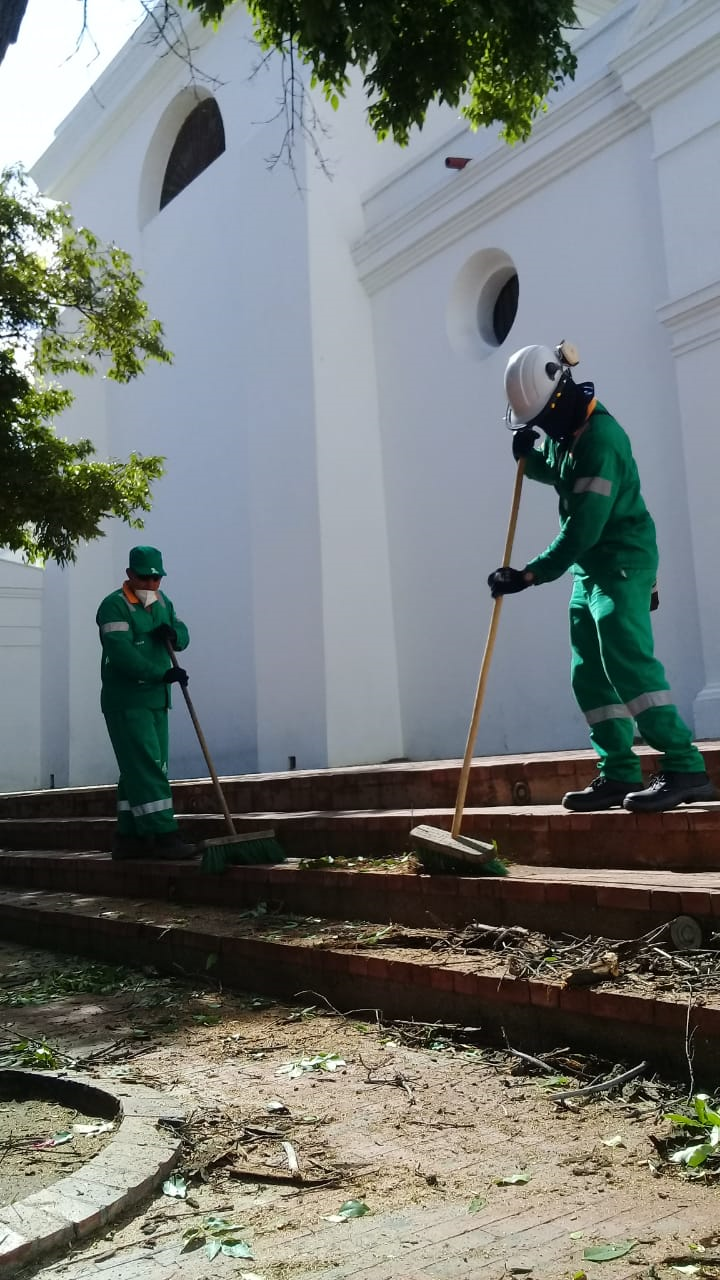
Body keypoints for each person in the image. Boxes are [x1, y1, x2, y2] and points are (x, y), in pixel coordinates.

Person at [487, 342, 715, 813]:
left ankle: (684, 766)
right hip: (589, 568)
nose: (540, 430)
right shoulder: (570, 428)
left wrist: (531, 574)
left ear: (558, 400)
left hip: (621, 561)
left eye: (539, 422)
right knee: (588, 674)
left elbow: (584, 526)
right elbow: (565, 476)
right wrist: (530, 461)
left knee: (627, 662)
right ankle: (617, 773)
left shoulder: (603, 439)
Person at [96, 545, 196, 858]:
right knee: (148, 766)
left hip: (156, 700)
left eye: (156, 579)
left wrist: (175, 634)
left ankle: (129, 837)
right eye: (145, 578)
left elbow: (182, 631)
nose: (151, 584)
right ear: (130, 575)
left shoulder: (162, 603)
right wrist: (160, 674)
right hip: (127, 701)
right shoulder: (114, 607)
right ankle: (165, 834)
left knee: (139, 768)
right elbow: (121, 654)